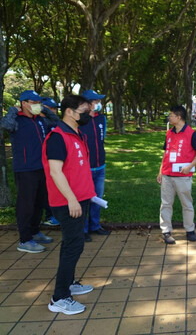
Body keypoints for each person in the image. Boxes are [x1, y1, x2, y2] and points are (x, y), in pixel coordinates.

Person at [42, 94, 96, 315]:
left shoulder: (76, 134)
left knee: (72, 245)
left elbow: (75, 170)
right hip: (68, 203)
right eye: (84, 110)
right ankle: (59, 297)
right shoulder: (57, 137)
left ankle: (69, 282)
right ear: (70, 112)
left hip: (80, 199)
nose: (89, 114)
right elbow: (55, 172)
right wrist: (72, 199)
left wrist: (86, 195)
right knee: (73, 246)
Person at [0, 90, 59, 253]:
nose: (37, 106)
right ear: (24, 103)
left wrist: (45, 110)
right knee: (26, 205)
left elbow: (56, 123)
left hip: (41, 167)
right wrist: (12, 110)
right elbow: (5, 125)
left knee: (39, 202)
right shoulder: (16, 120)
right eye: (34, 103)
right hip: (25, 169)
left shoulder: (39, 120)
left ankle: (35, 231)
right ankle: (25, 240)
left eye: (38, 103)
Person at [157, 105, 196, 244]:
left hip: (183, 176)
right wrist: (160, 171)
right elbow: (165, 154)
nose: (169, 117)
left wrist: (190, 167)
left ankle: (190, 230)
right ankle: (166, 231)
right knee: (165, 204)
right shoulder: (169, 133)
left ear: (179, 117)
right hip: (167, 175)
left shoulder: (191, 133)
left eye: (171, 115)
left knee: (187, 204)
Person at [79, 90, 109, 242]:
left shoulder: (101, 119)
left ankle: (95, 225)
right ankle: (83, 229)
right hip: (85, 168)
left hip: (100, 166)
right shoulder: (79, 121)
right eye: (96, 101)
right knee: (84, 199)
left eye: (99, 101)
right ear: (88, 104)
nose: (98, 104)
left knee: (97, 198)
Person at [41, 97, 61, 226]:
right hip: (41, 160)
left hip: (55, 159)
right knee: (45, 190)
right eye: (50, 108)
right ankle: (49, 216)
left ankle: (54, 214)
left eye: (54, 108)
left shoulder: (55, 122)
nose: (53, 111)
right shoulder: (40, 122)